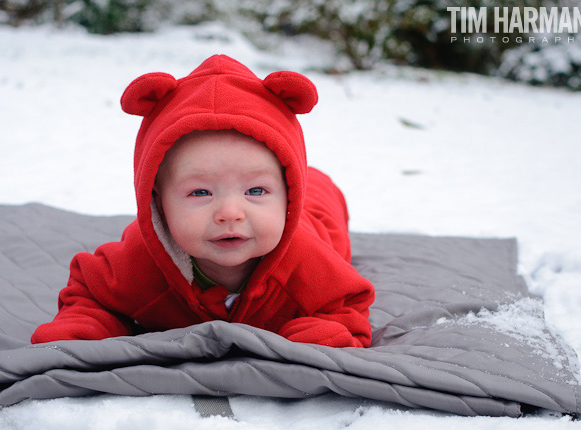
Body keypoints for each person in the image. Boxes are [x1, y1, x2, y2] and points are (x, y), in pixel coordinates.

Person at [31, 54, 375, 348]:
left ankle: (306, 183)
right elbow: (91, 295)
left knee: (321, 205)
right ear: (156, 202)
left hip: (318, 203)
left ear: (288, 196)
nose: (229, 213)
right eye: (200, 192)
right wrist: (85, 328)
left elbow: (347, 305)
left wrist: (322, 333)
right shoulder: (140, 259)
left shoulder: (308, 262)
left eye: (256, 191)